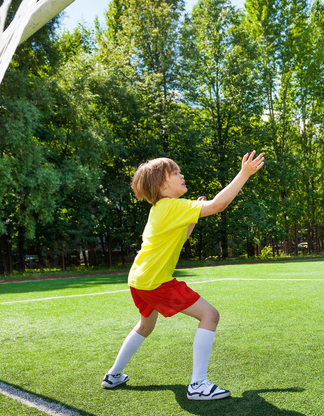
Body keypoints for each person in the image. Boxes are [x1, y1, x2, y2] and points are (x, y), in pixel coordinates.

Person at [102, 151, 265, 400]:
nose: (182, 175)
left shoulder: (161, 208)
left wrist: (192, 218)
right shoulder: (171, 206)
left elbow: (180, 238)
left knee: (145, 326)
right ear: (162, 184)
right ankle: (198, 384)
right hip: (155, 280)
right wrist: (244, 173)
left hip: (138, 278)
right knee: (210, 316)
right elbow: (219, 205)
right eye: (176, 173)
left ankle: (113, 374)